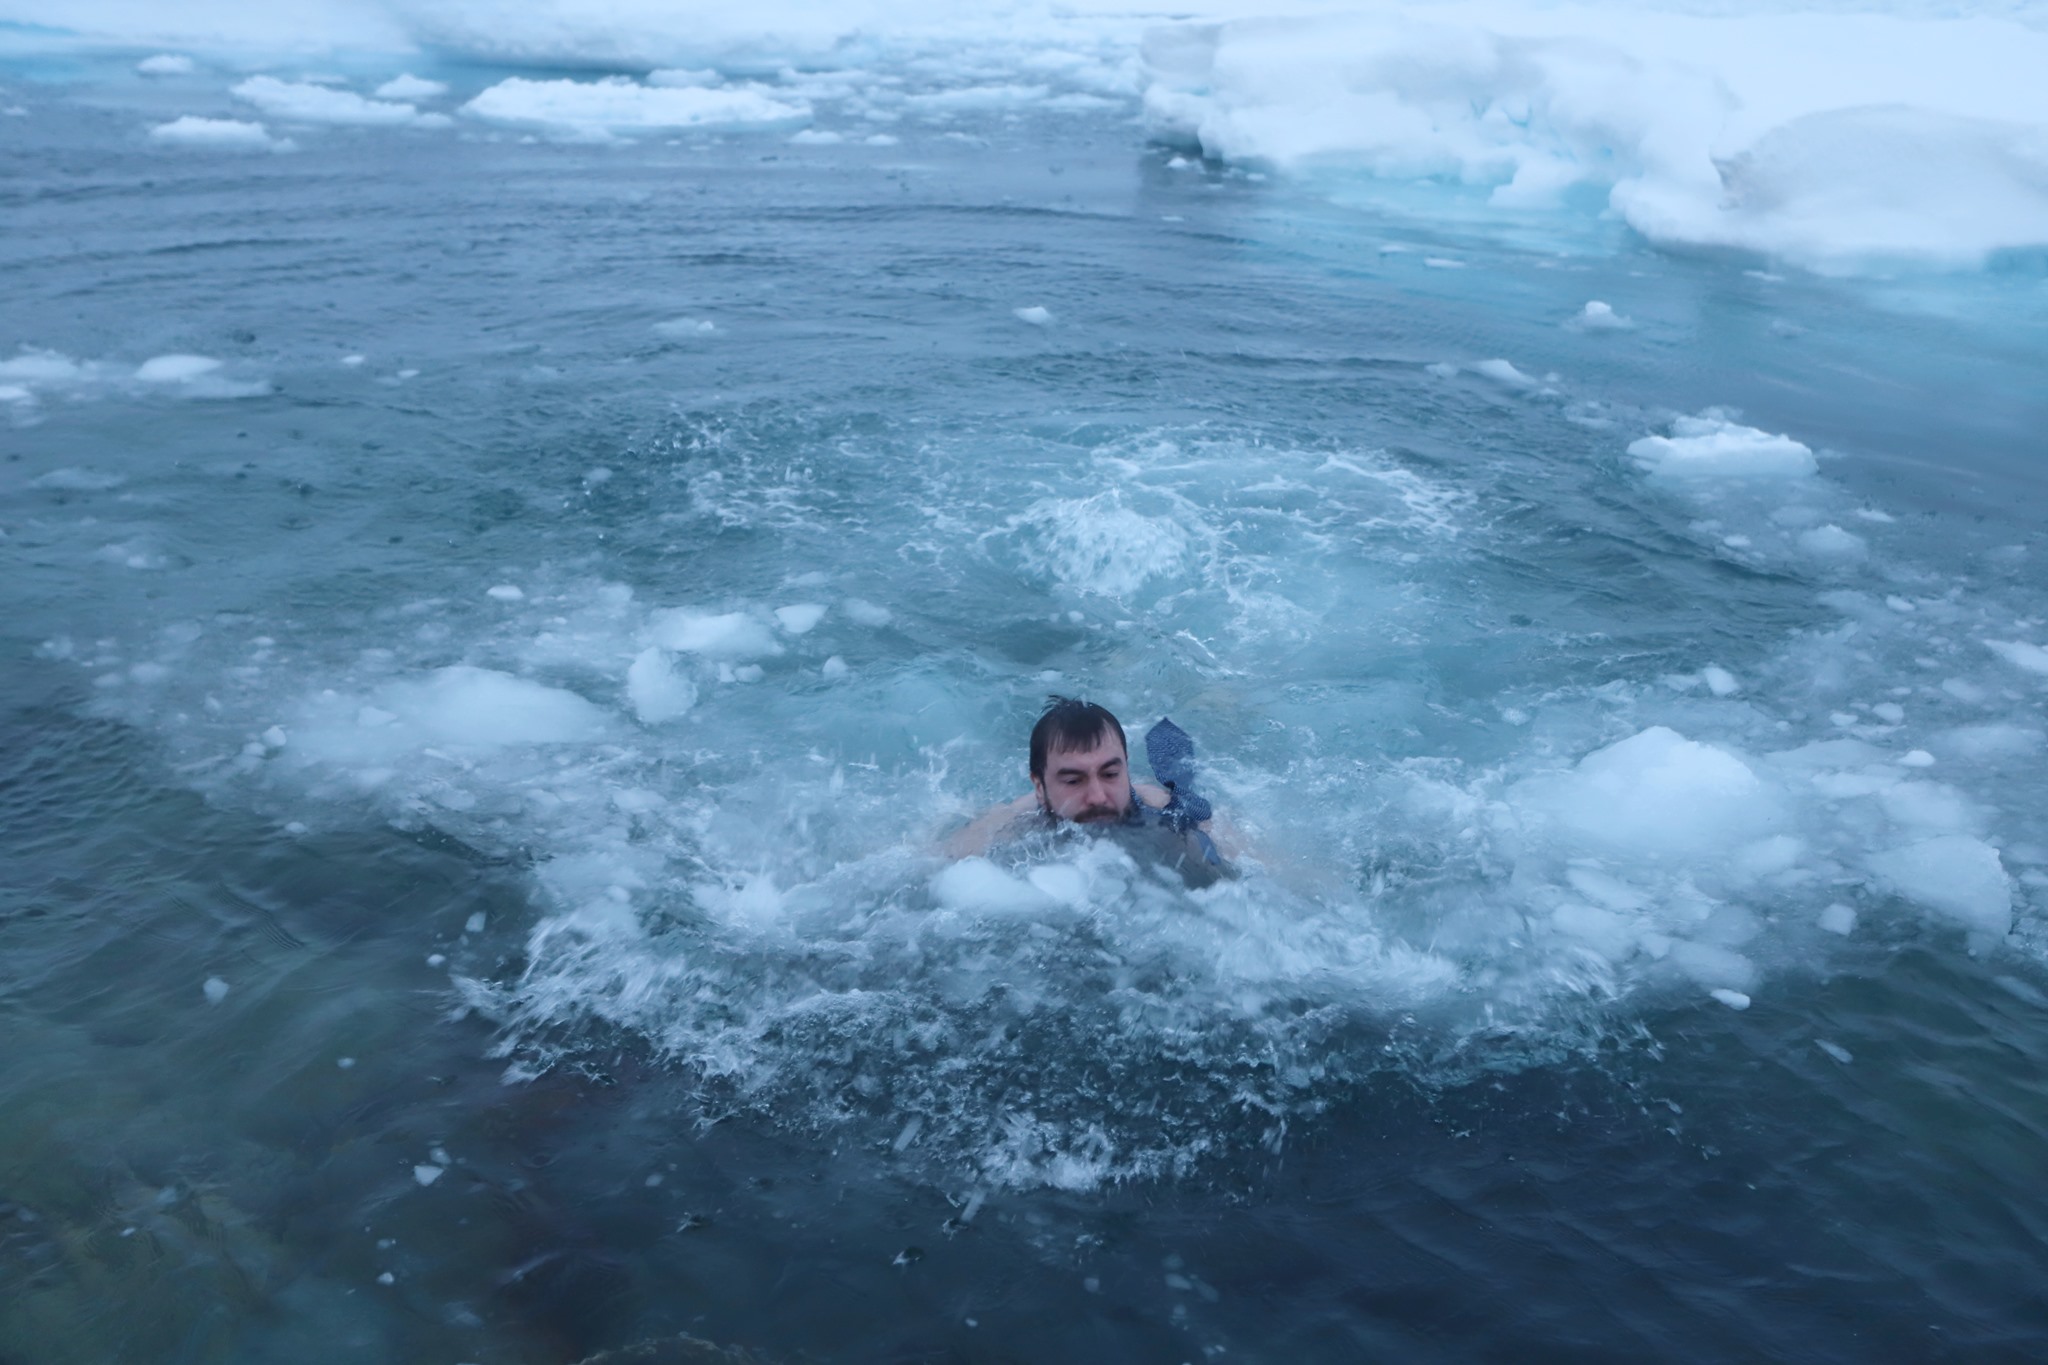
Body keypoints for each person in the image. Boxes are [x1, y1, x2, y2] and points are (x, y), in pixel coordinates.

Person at [944, 695, 1235, 863]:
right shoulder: (1011, 821)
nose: (1097, 796)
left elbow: (1250, 864)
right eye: (1073, 781)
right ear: (1039, 787)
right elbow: (935, 863)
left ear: (1126, 768)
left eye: (1110, 774)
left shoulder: (1166, 811)